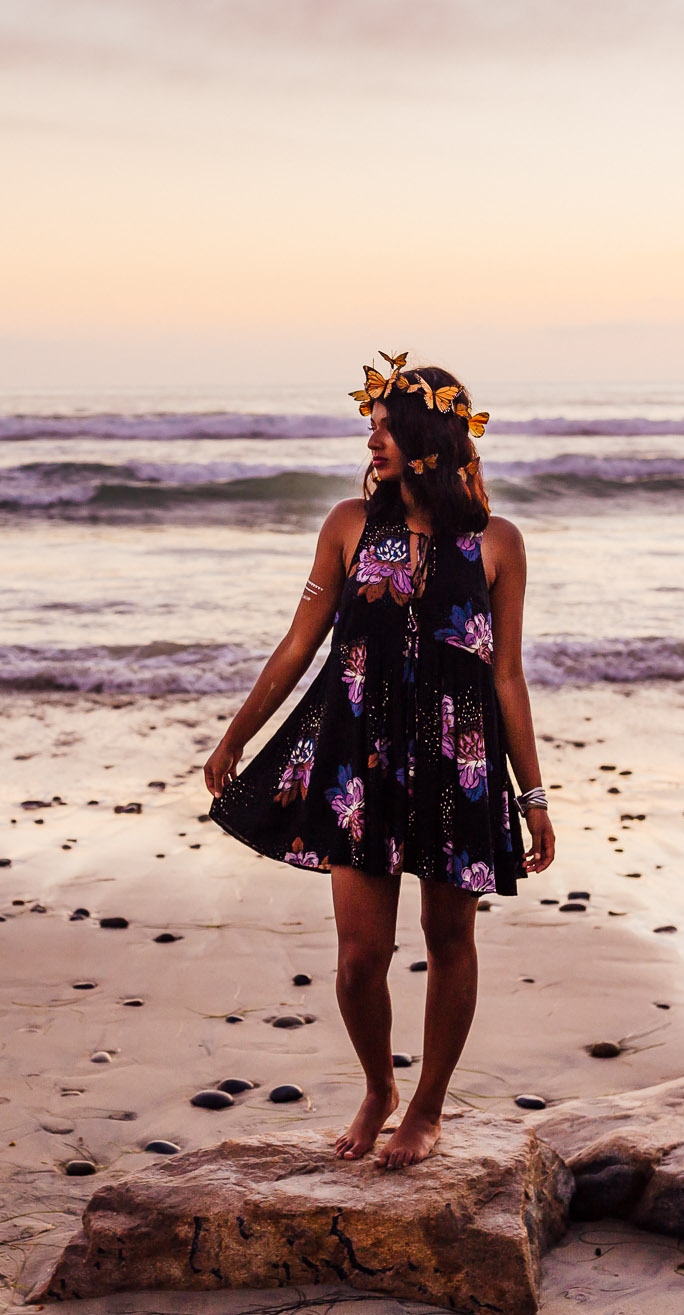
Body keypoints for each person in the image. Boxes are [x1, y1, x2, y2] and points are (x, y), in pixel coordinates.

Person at [204, 353, 557, 1168]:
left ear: (432, 437)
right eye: (374, 423)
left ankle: (427, 1106)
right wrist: (238, 733)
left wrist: (531, 792)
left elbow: (505, 672)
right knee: (361, 956)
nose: (374, 437)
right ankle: (377, 1084)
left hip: (458, 762)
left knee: (448, 937)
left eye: (389, 424)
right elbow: (301, 642)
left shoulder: (497, 544)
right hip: (357, 758)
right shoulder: (347, 526)